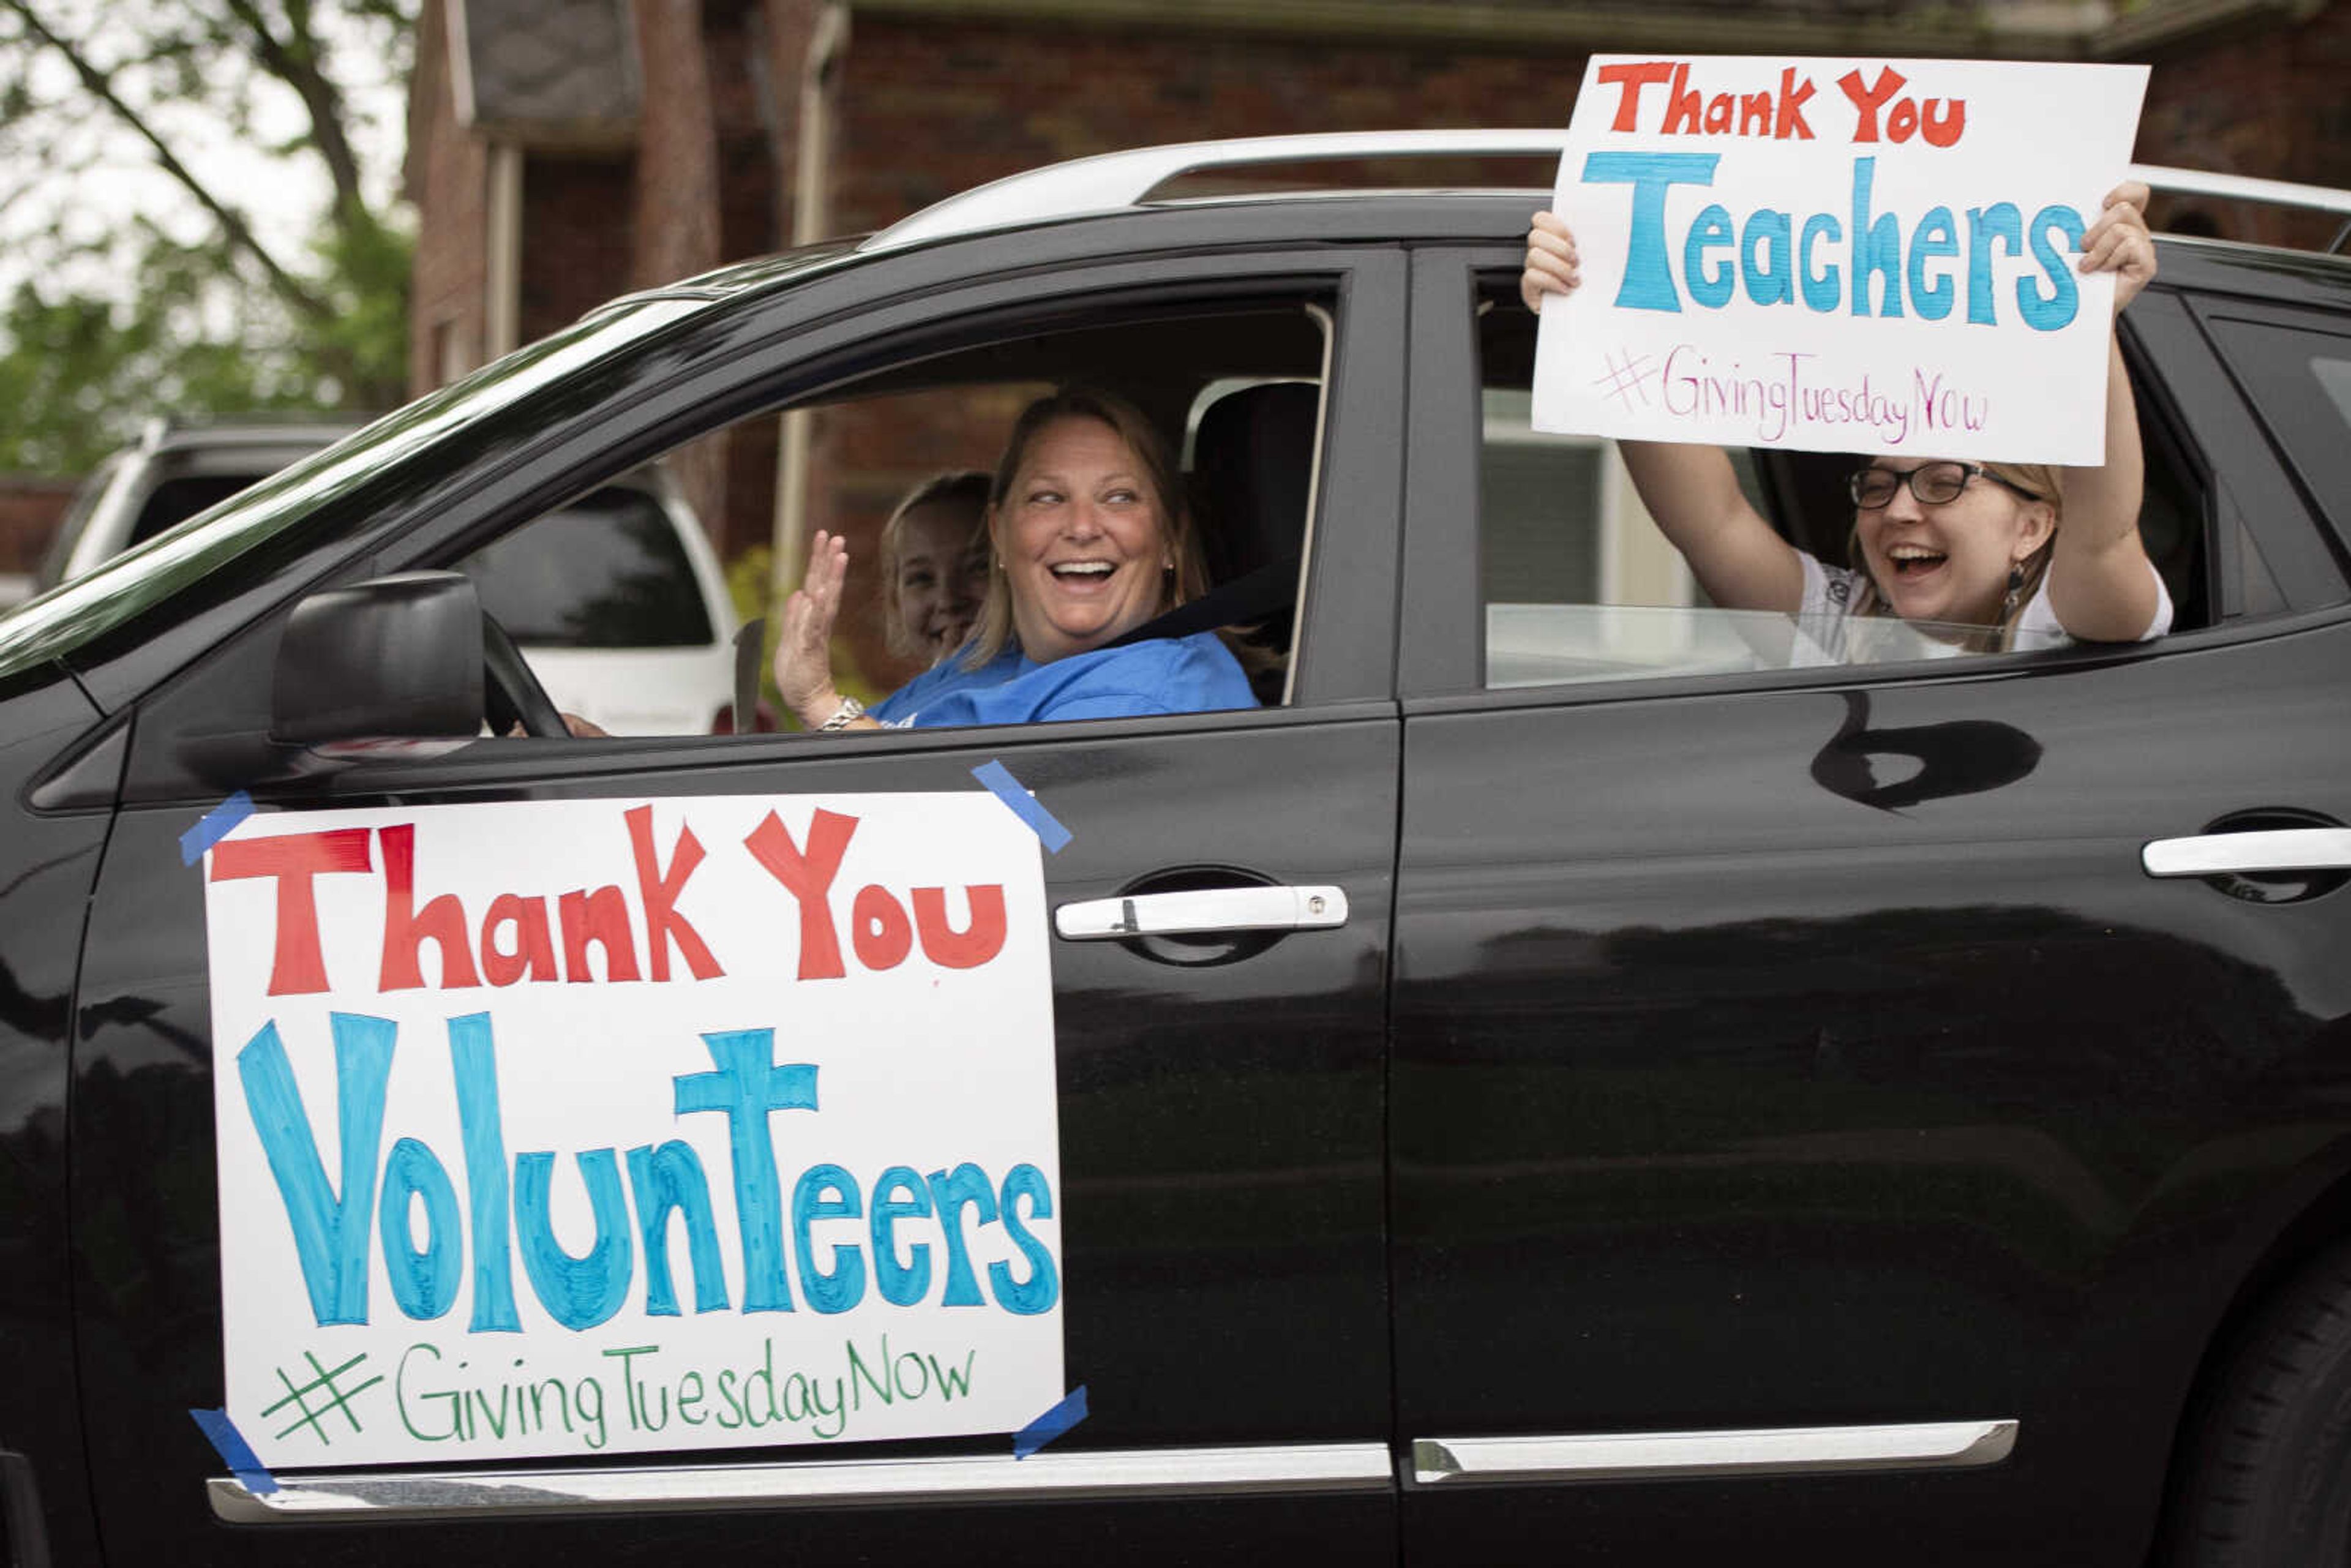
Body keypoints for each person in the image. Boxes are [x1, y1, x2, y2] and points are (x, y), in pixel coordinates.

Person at [1519, 181, 2173, 654]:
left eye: (1943, 480)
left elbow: (2104, 532)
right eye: (1880, 483)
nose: (1898, 511)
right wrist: (1594, 308)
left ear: (2032, 525)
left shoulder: (2060, 618)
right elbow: (1710, 520)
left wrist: (2092, 319)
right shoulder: (1838, 621)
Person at [774, 386, 1258, 730]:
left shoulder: (1145, 696)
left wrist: (822, 705)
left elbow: (1016, 839)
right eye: (1048, 498)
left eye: (1119, 497)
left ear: (1170, 537)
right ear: (999, 534)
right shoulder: (989, 662)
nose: (1083, 527)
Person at [877, 470, 992, 669]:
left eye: (978, 568)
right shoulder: (910, 700)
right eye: (922, 578)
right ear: (895, 600)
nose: (948, 600)